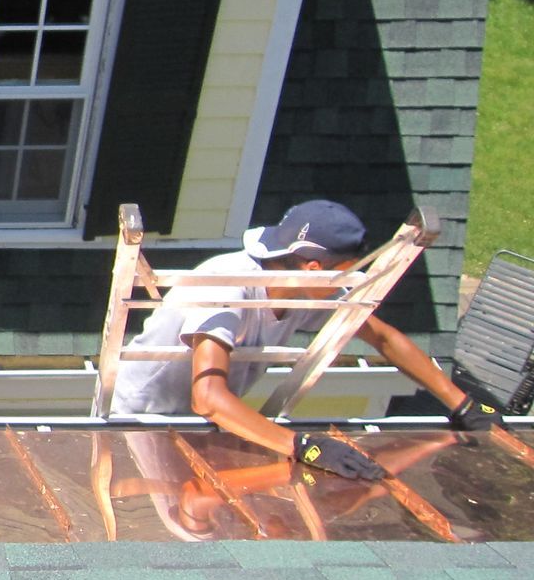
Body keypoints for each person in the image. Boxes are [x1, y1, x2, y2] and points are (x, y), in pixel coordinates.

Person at [110, 200, 511, 479]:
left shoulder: (303, 287)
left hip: (199, 429)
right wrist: (303, 446)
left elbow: (383, 338)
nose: (349, 285)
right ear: (315, 267)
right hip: (137, 430)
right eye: (348, 273)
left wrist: (463, 404)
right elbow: (209, 398)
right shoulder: (227, 289)